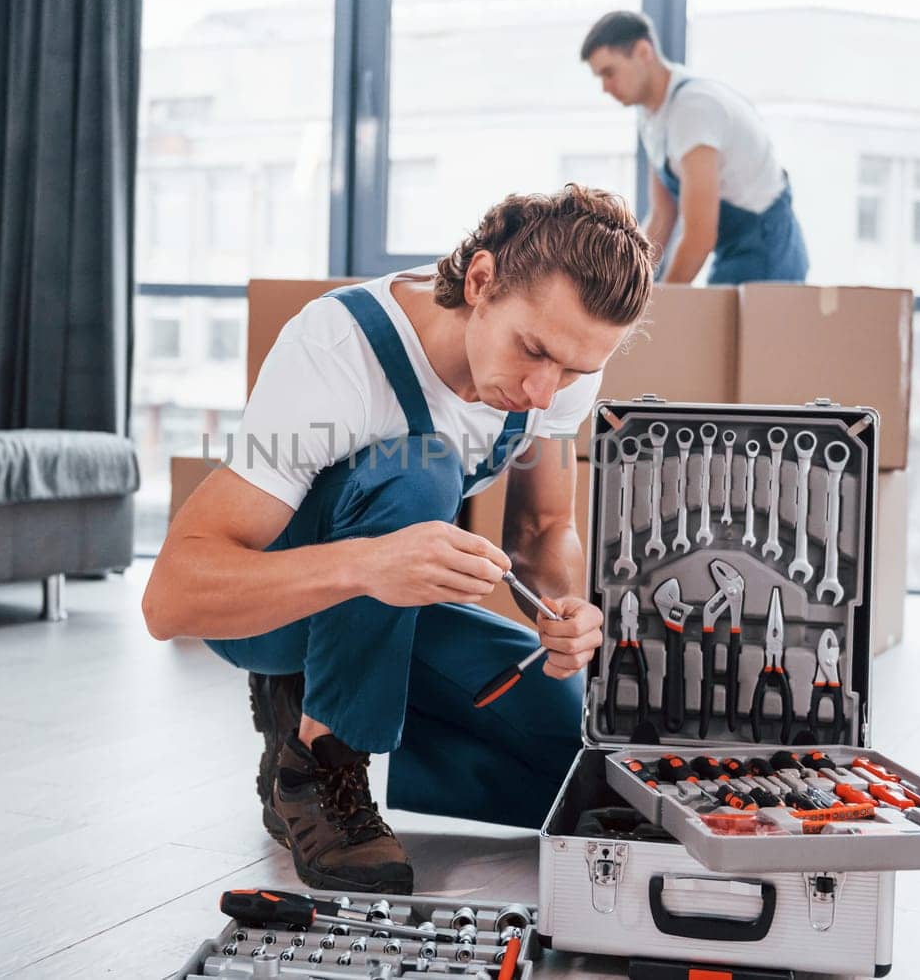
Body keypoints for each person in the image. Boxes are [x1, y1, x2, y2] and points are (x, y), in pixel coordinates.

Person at [143, 186, 655, 895]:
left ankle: (312, 707)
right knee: (423, 469)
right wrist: (369, 563)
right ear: (481, 281)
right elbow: (169, 598)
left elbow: (543, 531)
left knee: (588, 774)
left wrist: (571, 610)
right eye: (534, 351)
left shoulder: (559, 367)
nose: (546, 391)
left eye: (572, 370)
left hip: (387, 600)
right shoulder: (338, 351)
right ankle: (321, 765)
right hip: (267, 612)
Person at [581, 10, 810, 285]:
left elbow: (699, 237)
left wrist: (658, 308)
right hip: (730, 247)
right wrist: (625, 287)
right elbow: (662, 217)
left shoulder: (693, 110)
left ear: (643, 52)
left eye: (609, 72)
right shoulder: (652, 116)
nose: (605, 87)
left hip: (767, 248)